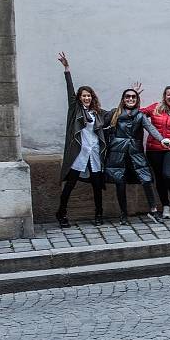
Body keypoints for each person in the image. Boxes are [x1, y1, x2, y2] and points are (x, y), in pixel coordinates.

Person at [55, 52, 108, 227]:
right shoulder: (75, 111)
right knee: (70, 184)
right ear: (79, 98)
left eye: (89, 96)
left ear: (92, 98)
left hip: (94, 154)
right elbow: (70, 90)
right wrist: (67, 69)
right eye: (83, 95)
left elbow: (114, 114)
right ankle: (61, 213)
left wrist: (130, 100)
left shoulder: (97, 114)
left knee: (97, 185)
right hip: (79, 153)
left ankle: (99, 214)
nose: (86, 98)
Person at [106, 89, 170, 225]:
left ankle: (153, 211)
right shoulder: (115, 113)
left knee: (147, 179)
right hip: (118, 154)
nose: (130, 99)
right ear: (123, 99)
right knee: (120, 183)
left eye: (133, 97)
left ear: (137, 100)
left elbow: (151, 128)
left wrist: (162, 139)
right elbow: (101, 125)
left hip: (135, 153)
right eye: (127, 97)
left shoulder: (140, 116)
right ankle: (123, 214)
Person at [138, 85, 170, 219]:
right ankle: (165, 206)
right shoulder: (155, 107)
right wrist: (136, 97)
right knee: (159, 178)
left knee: (168, 173)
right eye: (169, 94)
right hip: (153, 148)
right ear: (164, 97)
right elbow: (138, 114)